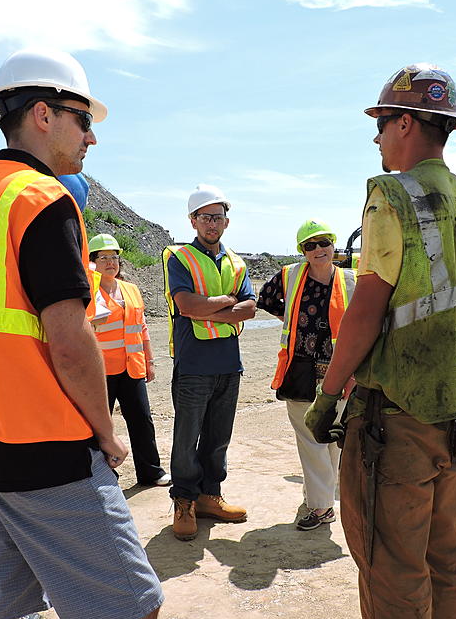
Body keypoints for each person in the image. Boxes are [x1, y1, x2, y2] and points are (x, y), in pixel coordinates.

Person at [0, 48, 163, 619]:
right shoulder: (41, 198)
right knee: (135, 609)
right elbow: (69, 336)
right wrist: (105, 432)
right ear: (41, 116)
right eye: (82, 119)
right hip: (39, 444)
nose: (91, 136)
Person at [305, 64, 456, 619]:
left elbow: (366, 310)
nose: (379, 140)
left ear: (406, 123)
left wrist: (329, 395)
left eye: (382, 126)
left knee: (393, 573)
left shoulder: (392, 195)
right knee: (449, 564)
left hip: (396, 420)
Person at [162, 184, 256, 541]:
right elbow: (186, 306)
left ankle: (209, 495)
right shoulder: (179, 258)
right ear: (193, 221)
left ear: (226, 222)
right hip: (193, 364)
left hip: (228, 365)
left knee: (218, 438)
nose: (212, 223)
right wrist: (224, 304)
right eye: (205, 217)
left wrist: (210, 310)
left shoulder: (236, 262)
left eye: (217, 217)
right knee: (187, 439)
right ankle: (184, 501)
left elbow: (250, 307)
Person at [257, 220, 356, 530]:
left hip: (340, 375)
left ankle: (319, 499)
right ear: (302, 251)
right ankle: (321, 505)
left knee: (332, 441)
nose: (318, 250)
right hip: (300, 373)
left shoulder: (351, 282)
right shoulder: (289, 276)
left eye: (323, 243)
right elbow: (268, 301)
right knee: (311, 439)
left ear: (333, 245)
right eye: (310, 246)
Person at [88, 232, 171, 487]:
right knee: (100, 426)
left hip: (132, 366)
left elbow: (142, 327)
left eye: (114, 257)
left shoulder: (131, 290)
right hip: (100, 369)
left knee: (142, 420)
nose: (111, 262)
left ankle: (151, 472)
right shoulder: (88, 293)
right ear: (92, 262)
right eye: (103, 258)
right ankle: (103, 477)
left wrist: (150, 360)